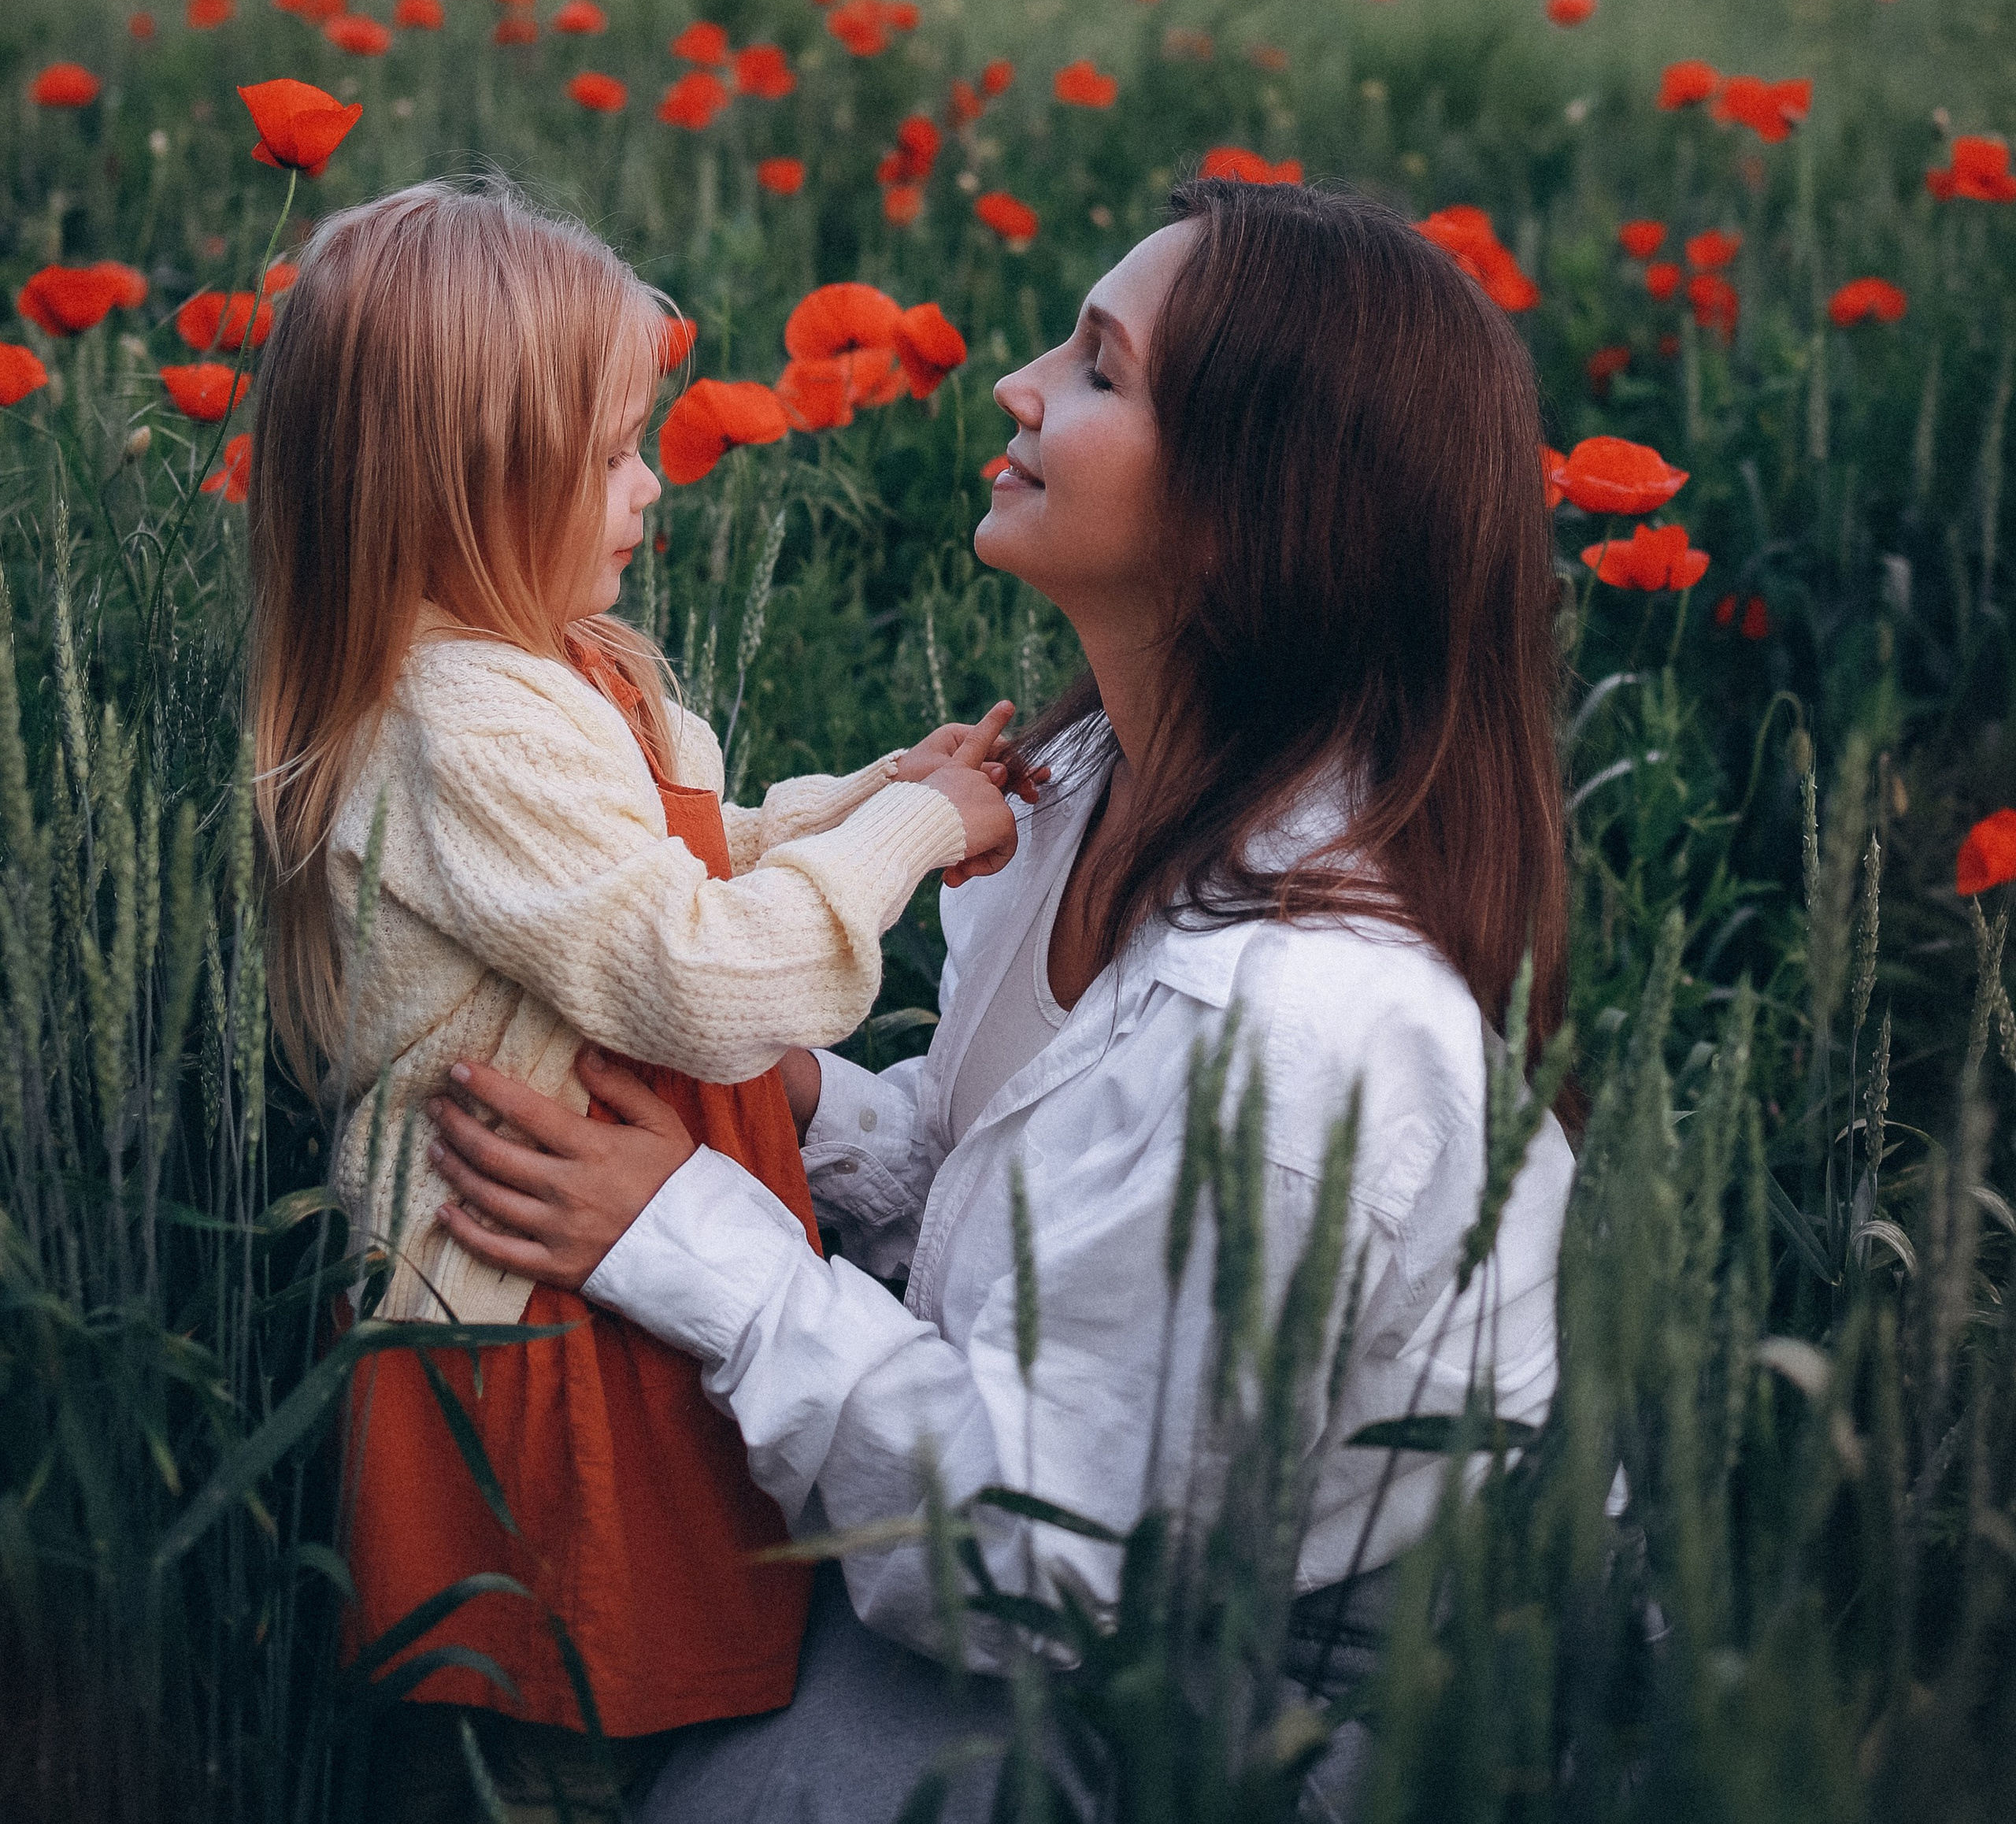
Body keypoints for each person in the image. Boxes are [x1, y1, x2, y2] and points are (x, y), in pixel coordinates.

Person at [432, 179, 1579, 1822]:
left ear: (1252, 510)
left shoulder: (1302, 1031)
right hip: (1090, 1533)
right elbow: (1025, 1186)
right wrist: (814, 1110)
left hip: (1301, 1688)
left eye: (1098, 369)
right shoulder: (1099, 780)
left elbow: (1051, 1564)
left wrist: (696, 1242)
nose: (1014, 383)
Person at [246, 181, 1020, 1787]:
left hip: (621, 1265)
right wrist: (906, 833)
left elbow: (691, 852)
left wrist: (876, 792)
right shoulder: (463, 720)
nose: (650, 482)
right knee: (575, 1726)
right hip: (539, 1330)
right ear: (462, 482)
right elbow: (697, 975)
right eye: (607, 451)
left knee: (667, 1710)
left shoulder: (548, 669)